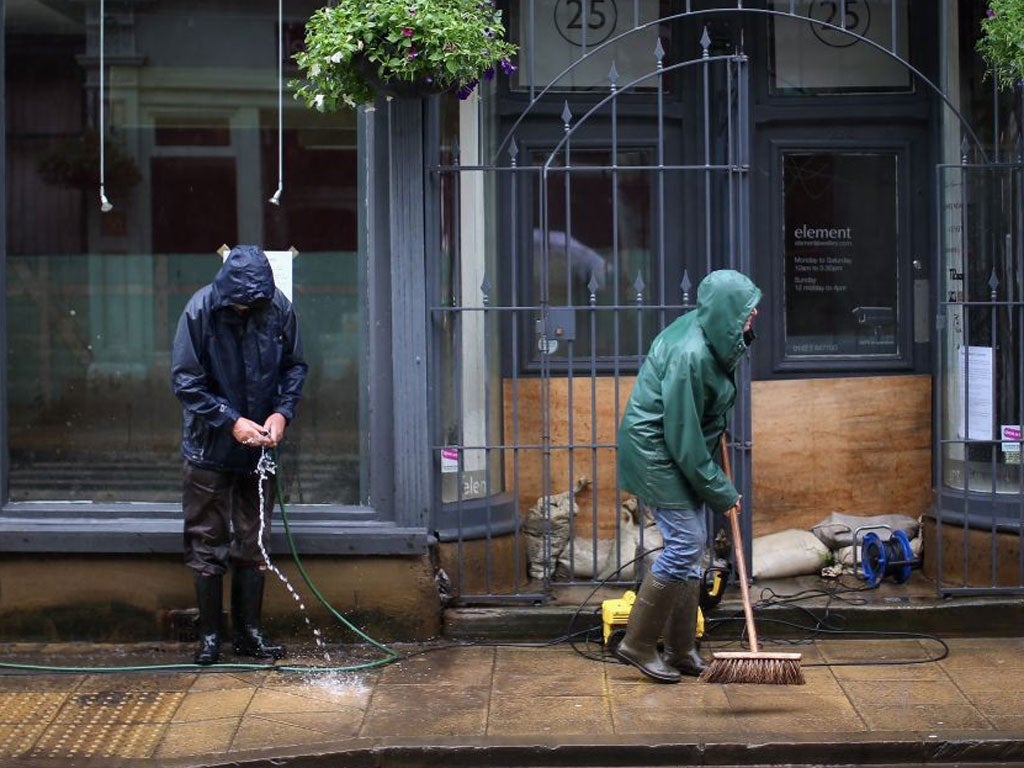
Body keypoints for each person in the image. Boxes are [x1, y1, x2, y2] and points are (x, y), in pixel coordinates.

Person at [615, 268, 761, 683]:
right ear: (727, 312)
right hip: (657, 454)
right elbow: (682, 438)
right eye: (747, 311)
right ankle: (638, 643)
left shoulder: (713, 333)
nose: (754, 316)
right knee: (685, 544)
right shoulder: (690, 355)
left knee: (692, 552)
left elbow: (695, 416)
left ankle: (681, 649)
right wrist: (721, 490)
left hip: (675, 448)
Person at [171, 244, 308, 665]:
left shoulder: (278, 308)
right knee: (206, 539)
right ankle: (211, 636)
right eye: (239, 304)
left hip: (259, 448)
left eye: (253, 304)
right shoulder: (199, 311)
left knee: (255, 541)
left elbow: (295, 367)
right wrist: (230, 421)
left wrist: (282, 413)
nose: (246, 310)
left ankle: (250, 633)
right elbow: (186, 381)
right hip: (209, 447)